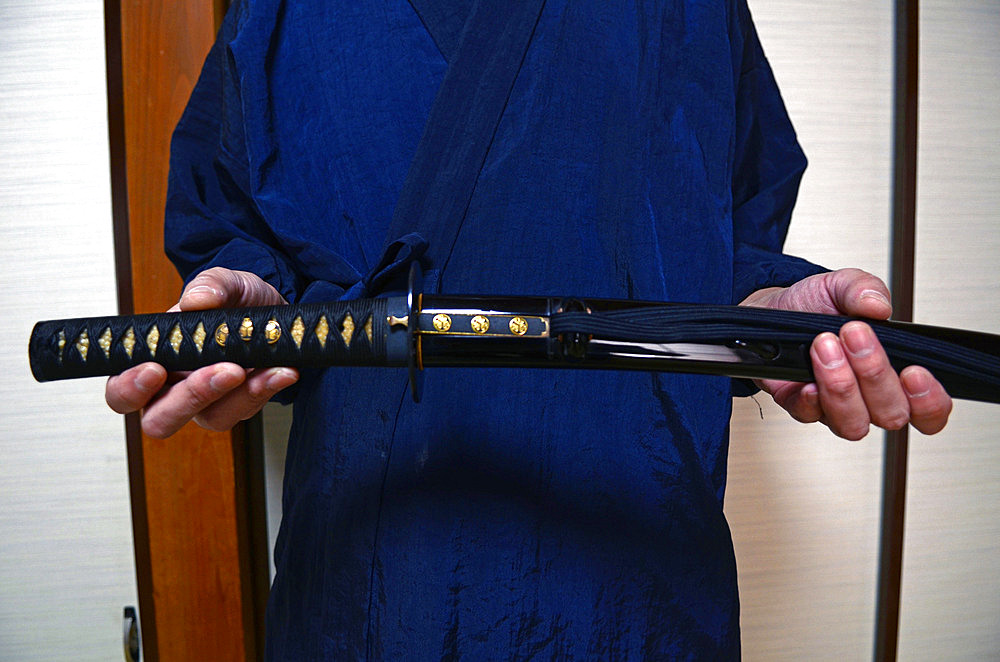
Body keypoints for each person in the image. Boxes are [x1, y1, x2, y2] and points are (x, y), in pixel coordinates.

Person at [106, 1, 952, 658]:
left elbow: (710, 246)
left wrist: (766, 315)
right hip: (375, 577)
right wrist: (253, 307)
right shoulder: (284, 9)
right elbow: (242, 234)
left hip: (636, 567)